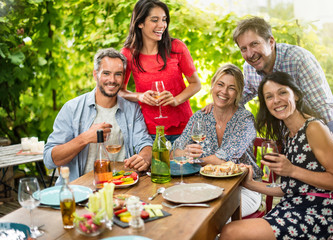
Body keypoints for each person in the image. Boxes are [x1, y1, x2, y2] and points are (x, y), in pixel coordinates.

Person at [203, 16, 333, 167]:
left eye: (254, 44)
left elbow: (325, 106)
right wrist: (217, 104)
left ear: (270, 41)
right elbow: (240, 97)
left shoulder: (299, 60)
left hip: (317, 137)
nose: (250, 54)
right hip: (288, 141)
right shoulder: (249, 68)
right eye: (244, 49)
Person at [220, 72, 333, 240]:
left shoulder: (314, 128)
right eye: (269, 96)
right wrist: (249, 183)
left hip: (316, 215)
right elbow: (289, 188)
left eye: (282, 92)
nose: (276, 100)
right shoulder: (289, 134)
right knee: (228, 229)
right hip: (291, 206)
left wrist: (292, 170)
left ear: (295, 94)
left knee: (231, 232)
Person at [44, 48, 153, 185]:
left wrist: (144, 158)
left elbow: (145, 144)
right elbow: (50, 159)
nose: (112, 80)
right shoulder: (72, 108)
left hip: (122, 186)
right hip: (81, 191)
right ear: (95, 75)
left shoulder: (132, 109)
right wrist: (85, 138)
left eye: (118, 74)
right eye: (106, 73)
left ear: (124, 77)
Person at [175, 64, 262, 217]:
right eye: (220, 84)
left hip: (244, 188)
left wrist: (193, 160)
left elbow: (223, 160)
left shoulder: (245, 120)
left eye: (231, 88)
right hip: (206, 186)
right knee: (182, 211)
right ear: (213, 85)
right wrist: (185, 152)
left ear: (238, 93)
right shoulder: (200, 117)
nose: (224, 92)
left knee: (211, 217)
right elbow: (175, 153)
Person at [119, 0, 201, 143]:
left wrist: (176, 100)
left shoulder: (177, 47)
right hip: (150, 131)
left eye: (164, 20)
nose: (162, 25)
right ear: (140, 23)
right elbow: (120, 91)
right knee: (156, 166)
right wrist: (140, 96)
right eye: (154, 20)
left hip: (183, 129)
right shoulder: (128, 53)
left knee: (184, 165)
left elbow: (196, 84)